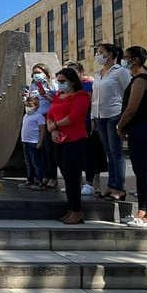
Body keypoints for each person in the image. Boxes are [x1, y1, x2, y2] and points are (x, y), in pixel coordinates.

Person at [116, 45, 147, 228]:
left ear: (134, 60)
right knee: (140, 172)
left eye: (126, 58)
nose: (123, 61)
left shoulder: (141, 79)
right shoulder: (140, 78)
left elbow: (132, 107)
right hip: (140, 128)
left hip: (143, 128)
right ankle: (142, 212)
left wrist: (120, 125)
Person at [46, 67, 90, 225]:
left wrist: (55, 125)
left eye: (62, 81)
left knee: (72, 176)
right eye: (58, 81)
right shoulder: (59, 96)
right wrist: (53, 129)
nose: (60, 84)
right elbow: (50, 114)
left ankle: (77, 211)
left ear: (72, 81)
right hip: (59, 139)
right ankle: (71, 209)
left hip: (75, 139)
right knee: (66, 175)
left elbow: (74, 117)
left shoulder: (81, 96)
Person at [91, 43, 132, 202]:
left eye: (100, 52)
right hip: (99, 115)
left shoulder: (120, 72)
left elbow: (128, 93)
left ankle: (119, 187)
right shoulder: (98, 74)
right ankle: (111, 184)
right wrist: (92, 116)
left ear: (111, 54)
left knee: (116, 152)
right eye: (97, 52)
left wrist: (125, 117)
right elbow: (94, 97)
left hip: (115, 114)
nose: (98, 55)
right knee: (108, 152)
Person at [65, 60, 104, 196]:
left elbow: (90, 102)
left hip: (88, 123)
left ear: (81, 72)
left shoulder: (88, 84)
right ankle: (79, 183)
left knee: (91, 154)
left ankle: (93, 184)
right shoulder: (69, 87)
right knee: (76, 155)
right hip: (73, 125)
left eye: (74, 72)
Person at [22, 63, 59, 189]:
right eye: (34, 73)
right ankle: (43, 176)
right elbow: (32, 102)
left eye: (38, 72)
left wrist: (46, 96)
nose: (36, 75)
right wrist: (26, 98)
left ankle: (53, 177)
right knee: (40, 150)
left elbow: (58, 102)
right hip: (35, 119)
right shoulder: (33, 85)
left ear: (45, 72)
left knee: (49, 150)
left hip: (48, 117)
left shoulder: (53, 84)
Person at [19, 96, 46, 190]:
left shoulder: (39, 116)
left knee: (36, 162)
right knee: (28, 162)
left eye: (30, 105)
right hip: (25, 141)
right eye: (27, 105)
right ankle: (29, 180)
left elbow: (42, 130)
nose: (28, 107)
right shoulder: (26, 115)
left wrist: (40, 142)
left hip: (33, 142)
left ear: (36, 106)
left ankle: (39, 182)